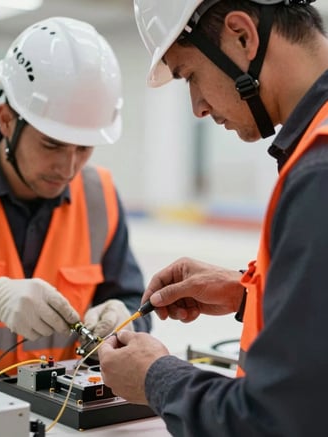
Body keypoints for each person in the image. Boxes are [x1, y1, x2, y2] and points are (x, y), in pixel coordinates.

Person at [98, 1, 328, 435]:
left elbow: (274, 421)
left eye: (190, 76)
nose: (198, 107)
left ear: (243, 36)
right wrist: (248, 295)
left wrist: (155, 377)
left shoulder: (319, 172)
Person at [0, 16, 151, 381]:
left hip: (57, 420)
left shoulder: (99, 195)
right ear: (7, 121)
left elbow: (131, 298)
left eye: (84, 148)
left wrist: (124, 318)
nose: (69, 166)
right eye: (52, 144)